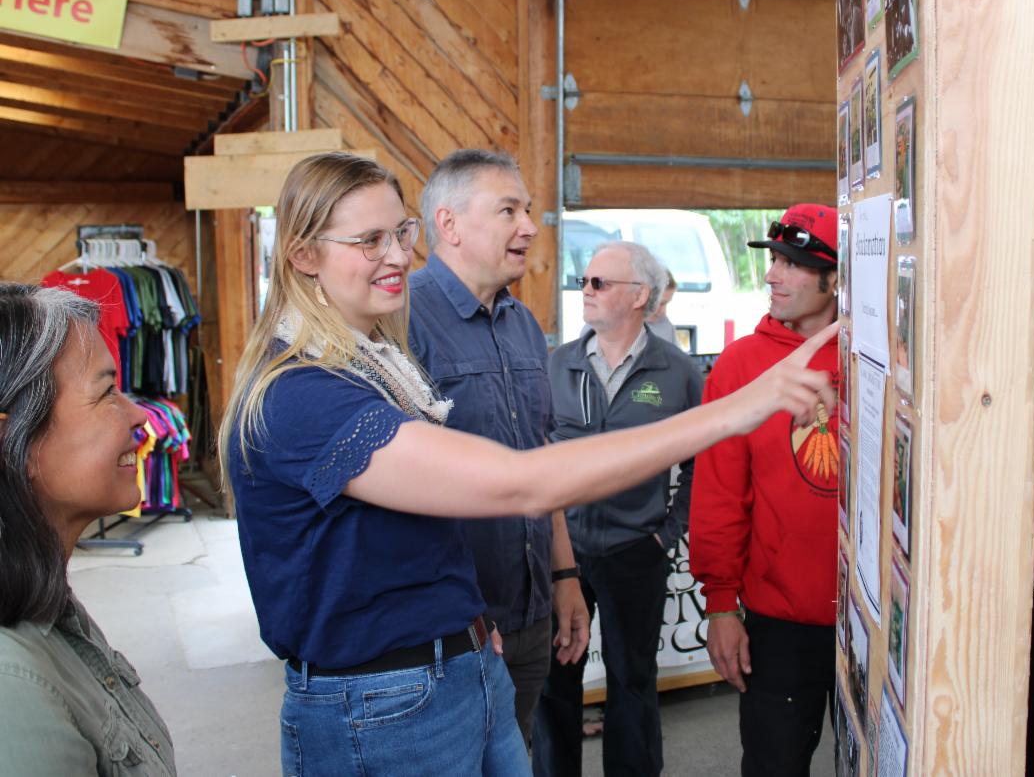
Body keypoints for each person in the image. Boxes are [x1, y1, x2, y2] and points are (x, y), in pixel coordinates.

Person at [219, 153, 836, 776]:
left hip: (456, 663)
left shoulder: (379, 355)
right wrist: (733, 411)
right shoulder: (303, 392)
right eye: (369, 240)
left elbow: (423, 526)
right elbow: (518, 481)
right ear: (302, 254)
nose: (400, 256)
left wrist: (469, 618)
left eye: (401, 234)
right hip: (386, 701)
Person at [408, 149, 589, 745]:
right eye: (507, 209)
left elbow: (541, 459)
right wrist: (462, 614)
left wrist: (564, 575)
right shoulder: (402, 320)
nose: (530, 226)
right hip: (454, 629)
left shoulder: (523, 325)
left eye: (529, 210)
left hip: (530, 615)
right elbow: (402, 494)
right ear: (448, 224)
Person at [533, 243, 702, 777]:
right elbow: (533, 454)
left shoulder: (678, 372)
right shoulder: (555, 366)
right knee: (555, 684)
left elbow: (705, 463)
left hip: (636, 551)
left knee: (633, 682)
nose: (586, 289)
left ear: (640, 296)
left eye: (600, 282)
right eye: (584, 280)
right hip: (564, 554)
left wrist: (666, 534)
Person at [689, 203, 841, 777]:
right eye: (773, 259)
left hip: (871, 620)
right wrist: (721, 605)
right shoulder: (740, 365)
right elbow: (718, 495)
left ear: (835, 278)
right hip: (781, 622)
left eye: (794, 263)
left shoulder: (879, 358)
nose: (773, 274)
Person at [0, 283, 176, 775]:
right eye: (105, 392)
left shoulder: (43, 598)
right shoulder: (12, 686)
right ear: (14, 440)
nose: (140, 415)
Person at [646, 269, 677, 346]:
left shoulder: (665, 325)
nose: (664, 311)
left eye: (666, 304)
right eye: (660, 304)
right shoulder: (621, 327)